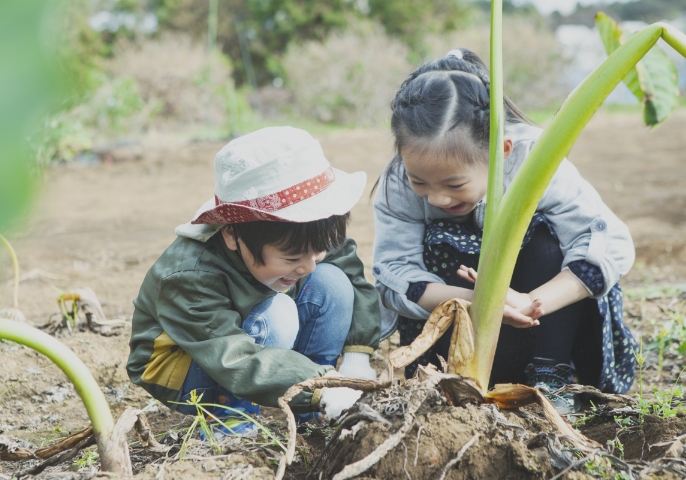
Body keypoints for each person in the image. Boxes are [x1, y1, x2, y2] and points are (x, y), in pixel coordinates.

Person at [372, 48, 637, 413]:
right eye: (421, 181)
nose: (436, 197)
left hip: (537, 325)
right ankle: (449, 383)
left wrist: (528, 301)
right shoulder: (398, 182)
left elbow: (610, 245)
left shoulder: (535, 157)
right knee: (437, 244)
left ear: (502, 151)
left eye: (453, 183)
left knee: (546, 236)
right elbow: (392, 275)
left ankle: (552, 377)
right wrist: (478, 300)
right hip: (455, 338)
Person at [127, 127, 379, 434]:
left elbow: (350, 274)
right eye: (292, 259)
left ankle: (310, 409)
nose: (308, 266)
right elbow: (230, 357)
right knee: (277, 317)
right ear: (232, 234)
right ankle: (233, 416)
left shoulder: (308, 235)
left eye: (318, 250)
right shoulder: (190, 276)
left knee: (334, 284)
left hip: (248, 343)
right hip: (189, 365)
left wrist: (356, 355)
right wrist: (324, 386)